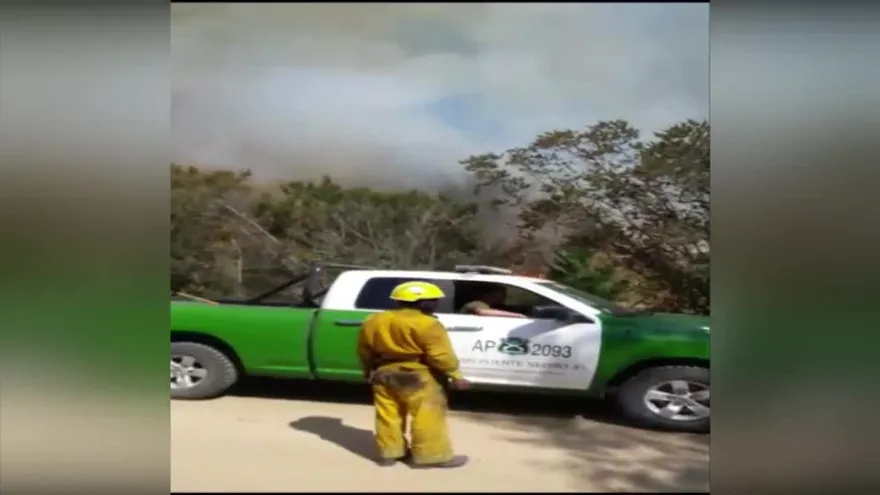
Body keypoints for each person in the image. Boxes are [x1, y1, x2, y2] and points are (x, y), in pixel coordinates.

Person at [356, 281, 471, 469]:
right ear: (423, 302)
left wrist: (367, 370)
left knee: (387, 415)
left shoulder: (374, 320)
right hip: (417, 374)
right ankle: (432, 456)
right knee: (427, 415)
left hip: (383, 373)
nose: (436, 304)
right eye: (434, 300)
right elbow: (441, 356)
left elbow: (364, 350)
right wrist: (456, 375)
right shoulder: (428, 324)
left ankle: (389, 454)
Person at [459, 283, 527, 318]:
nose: (504, 296)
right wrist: (519, 316)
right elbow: (483, 312)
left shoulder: (494, 305)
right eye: (502, 294)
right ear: (490, 294)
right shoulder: (477, 303)